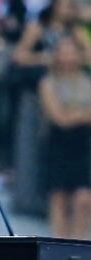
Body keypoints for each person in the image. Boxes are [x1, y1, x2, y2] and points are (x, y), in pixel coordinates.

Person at [38, 36, 91, 239]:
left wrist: (72, 113)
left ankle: (79, 244)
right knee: (58, 197)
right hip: (58, 144)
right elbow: (59, 118)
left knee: (83, 198)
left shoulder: (87, 82)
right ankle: (58, 244)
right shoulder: (48, 82)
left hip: (83, 144)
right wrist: (81, 113)